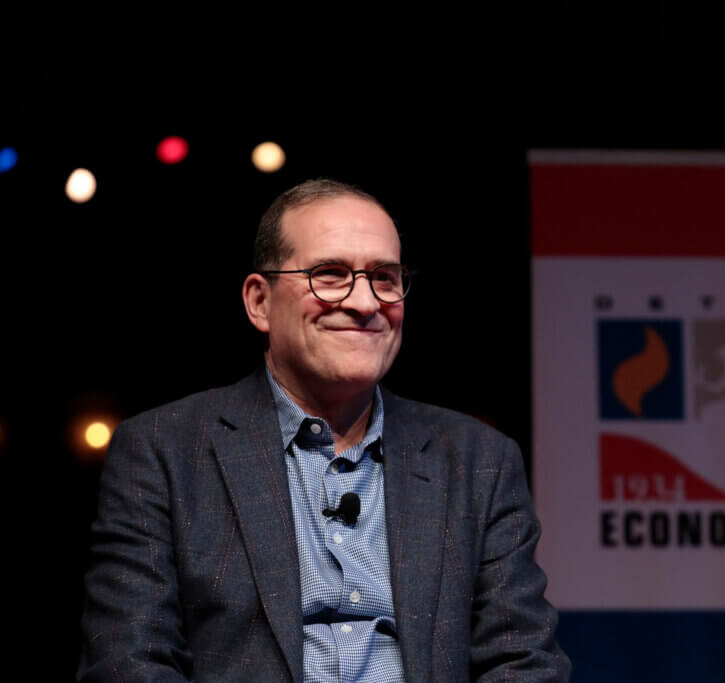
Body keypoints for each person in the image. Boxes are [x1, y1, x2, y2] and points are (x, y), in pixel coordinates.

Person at [79, 179, 570, 682]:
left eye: (384, 278)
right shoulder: (163, 451)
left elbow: (523, 662)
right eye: (330, 275)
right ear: (260, 302)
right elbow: (128, 663)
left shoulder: (478, 461)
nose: (365, 302)